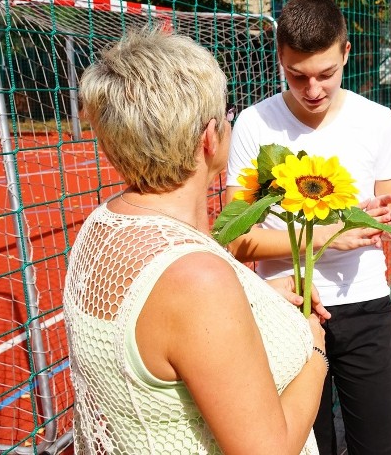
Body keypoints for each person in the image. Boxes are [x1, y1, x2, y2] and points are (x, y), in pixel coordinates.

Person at [64, 29, 328, 454]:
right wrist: (315, 348)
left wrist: (257, 297)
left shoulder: (103, 224)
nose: (229, 122)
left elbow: (166, 330)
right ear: (209, 137)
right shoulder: (196, 279)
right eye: (225, 113)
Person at [226, 0, 391, 455]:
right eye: (297, 76)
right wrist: (327, 236)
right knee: (309, 444)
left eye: (326, 74)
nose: (312, 91)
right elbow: (234, 238)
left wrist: (369, 220)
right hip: (287, 308)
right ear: (280, 58)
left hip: (365, 307)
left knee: (377, 444)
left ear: (346, 52)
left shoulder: (376, 120)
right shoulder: (253, 124)